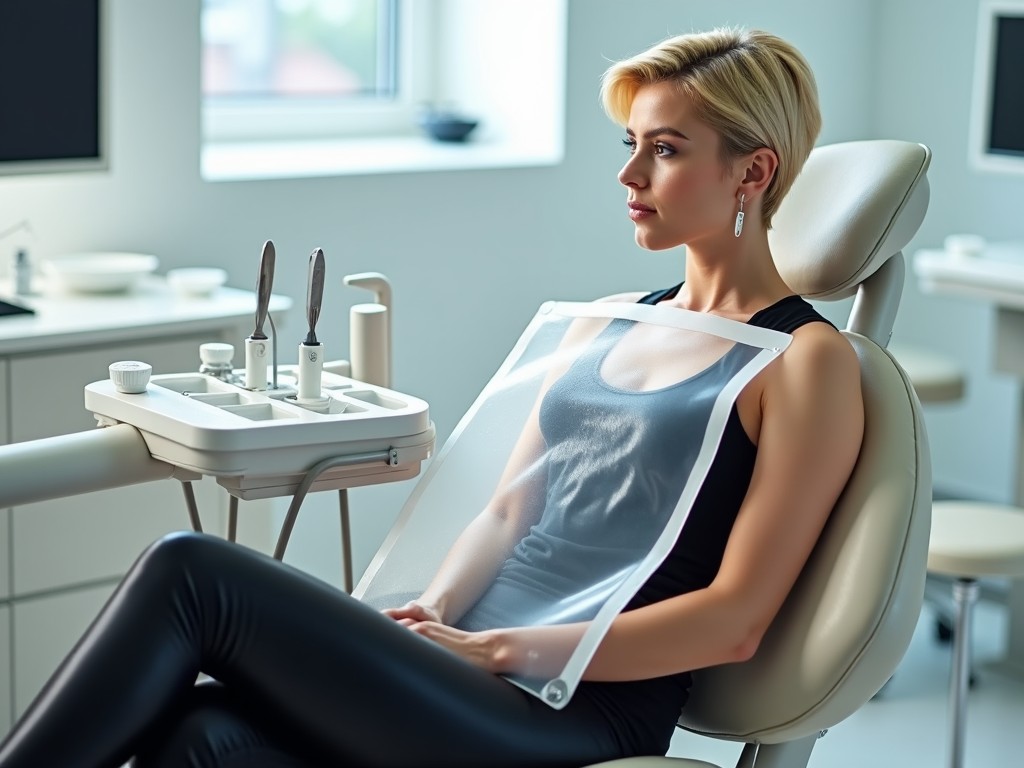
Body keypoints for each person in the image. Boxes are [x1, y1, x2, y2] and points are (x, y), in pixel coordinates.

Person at [0, 26, 863, 768]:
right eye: (629, 144)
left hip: (573, 704)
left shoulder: (803, 362)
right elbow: (504, 512)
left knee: (191, 572)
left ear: (753, 172)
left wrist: (499, 648)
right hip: (469, 664)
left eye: (666, 149)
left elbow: (734, 621)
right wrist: (435, 615)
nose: (630, 173)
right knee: (202, 735)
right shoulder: (602, 324)